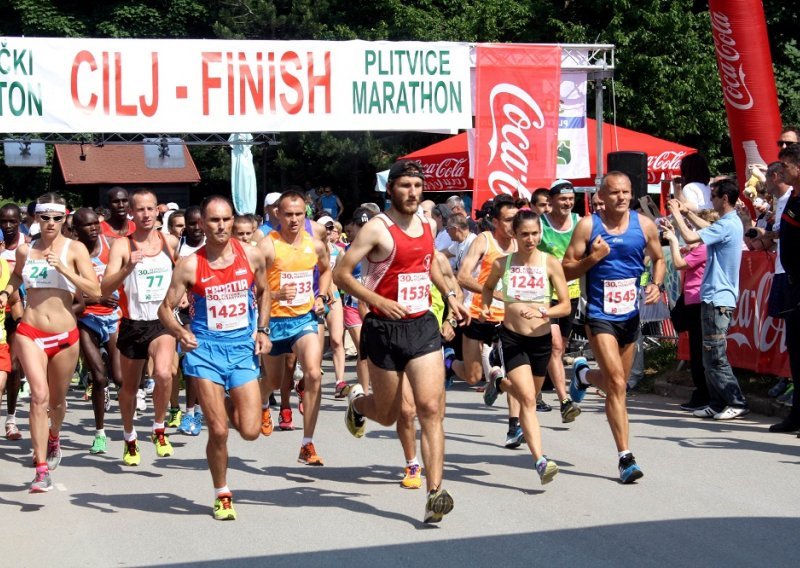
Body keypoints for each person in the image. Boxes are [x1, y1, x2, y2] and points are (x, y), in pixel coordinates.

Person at [333, 159, 470, 523]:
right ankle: (359, 405)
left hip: (422, 325)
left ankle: (434, 492)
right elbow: (340, 273)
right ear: (391, 188)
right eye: (405, 186)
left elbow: (430, 264)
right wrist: (376, 301)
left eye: (417, 186)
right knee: (389, 413)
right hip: (383, 328)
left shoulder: (427, 223)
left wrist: (451, 295)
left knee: (430, 409)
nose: (412, 192)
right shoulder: (377, 229)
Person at [159, 195, 271, 520]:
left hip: (241, 350)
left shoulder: (251, 255)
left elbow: (264, 292)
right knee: (218, 431)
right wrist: (180, 332)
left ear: (233, 221)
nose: (221, 226)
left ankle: (232, 400)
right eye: (214, 220)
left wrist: (262, 329)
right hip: (205, 350)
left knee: (250, 431)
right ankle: (222, 492)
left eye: (226, 219)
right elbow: (164, 309)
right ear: (203, 225)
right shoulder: (190, 264)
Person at [563, 171, 665, 483]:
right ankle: (625, 458)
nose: (621, 197)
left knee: (615, 383)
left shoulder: (644, 225)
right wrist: (593, 258)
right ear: (601, 196)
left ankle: (582, 376)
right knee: (618, 383)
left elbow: (659, 259)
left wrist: (656, 285)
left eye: (626, 192)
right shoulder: (588, 225)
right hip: (599, 315)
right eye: (615, 192)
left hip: (629, 315)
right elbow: (566, 270)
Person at [4, 193, 100, 492]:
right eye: (44, 217)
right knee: (38, 396)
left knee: (57, 402)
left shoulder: (75, 250)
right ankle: (41, 469)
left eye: (57, 218)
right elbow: (17, 277)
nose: (50, 223)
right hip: (30, 331)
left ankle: (54, 436)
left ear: (64, 219)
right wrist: (6, 294)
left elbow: (94, 290)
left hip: (65, 335)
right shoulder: (24, 249)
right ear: (35, 218)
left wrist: (63, 269)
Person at [481, 209, 571, 484]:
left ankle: (498, 381)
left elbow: (565, 305)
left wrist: (547, 313)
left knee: (528, 394)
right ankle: (540, 460)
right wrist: (486, 307)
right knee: (529, 401)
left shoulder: (550, 263)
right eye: (524, 234)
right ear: (514, 235)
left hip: (541, 340)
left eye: (534, 233)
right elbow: (487, 288)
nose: (530, 239)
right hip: (513, 338)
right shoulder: (502, 264)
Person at [102, 188, 180, 465]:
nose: (146, 214)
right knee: (129, 389)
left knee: (163, 373)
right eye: (140, 210)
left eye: (150, 208)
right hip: (133, 323)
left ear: (157, 210)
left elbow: (180, 279)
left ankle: (158, 429)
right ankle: (129, 436)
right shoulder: (123, 246)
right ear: (132, 213)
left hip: (162, 322)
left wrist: (179, 299)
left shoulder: (169, 241)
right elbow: (105, 287)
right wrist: (127, 269)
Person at [259, 190, 331, 465]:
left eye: (299, 214)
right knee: (274, 382)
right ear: (277, 213)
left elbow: (326, 271)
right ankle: (265, 402)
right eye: (288, 214)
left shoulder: (316, 244)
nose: (293, 219)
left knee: (313, 374)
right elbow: (253, 287)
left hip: (304, 319)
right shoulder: (267, 246)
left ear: (306, 214)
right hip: (274, 322)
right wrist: (276, 295)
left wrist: (322, 297)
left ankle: (307, 443)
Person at [667, 178, 749, 420]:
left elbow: (692, 238)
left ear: (725, 198)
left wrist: (677, 216)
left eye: (714, 196)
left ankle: (736, 401)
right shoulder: (728, 222)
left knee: (715, 355)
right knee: (708, 356)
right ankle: (715, 402)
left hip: (718, 297)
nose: (711, 200)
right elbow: (704, 226)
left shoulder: (728, 224)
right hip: (713, 295)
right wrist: (687, 213)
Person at [454, 194, 525, 448]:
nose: (512, 225)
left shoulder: (521, 243)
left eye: (515, 219)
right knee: (472, 377)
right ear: (495, 221)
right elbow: (463, 276)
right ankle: (449, 362)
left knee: (514, 374)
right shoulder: (484, 241)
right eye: (507, 220)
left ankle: (514, 428)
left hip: (508, 320)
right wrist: (492, 292)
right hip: (478, 315)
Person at [73, 208, 123, 454]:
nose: (93, 228)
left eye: (96, 224)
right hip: (86, 319)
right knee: (100, 378)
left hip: (113, 319)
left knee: (120, 378)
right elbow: (70, 294)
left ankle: (128, 429)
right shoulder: (71, 253)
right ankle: (100, 433)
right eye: (87, 225)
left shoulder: (111, 246)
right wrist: (98, 298)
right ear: (76, 230)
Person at [662, 209, 719, 411]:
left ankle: (705, 394)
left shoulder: (706, 248)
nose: (692, 232)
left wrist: (673, 241)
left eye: (696, 227)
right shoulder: (701, 247)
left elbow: (678, 263)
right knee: (696, 348)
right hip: (692, 300)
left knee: (700, 351)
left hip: (698, 300)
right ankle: (703, 393)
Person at [537, 180, 584, 423]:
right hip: (545, 293)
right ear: (552, 199)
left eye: (570, 198)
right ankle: (565, 401)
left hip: (571, 293)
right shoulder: (540, 225)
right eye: (563, 198)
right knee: (555, 346)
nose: (567, 203)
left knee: (560, 347)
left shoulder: (579, 223)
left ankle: (534, 390)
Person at [769, 144, 800, 433]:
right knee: (795, 349)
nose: (781, 171)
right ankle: (796, 415)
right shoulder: (792, 200)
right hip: (791, 283)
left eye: (786, 166)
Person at [0, 204, 27, 440]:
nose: (7, 226)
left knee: (15, 367)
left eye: (12, 221)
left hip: (16, 305)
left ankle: (11, 419)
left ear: (20, 221)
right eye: (3, 221)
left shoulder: (26, 245)